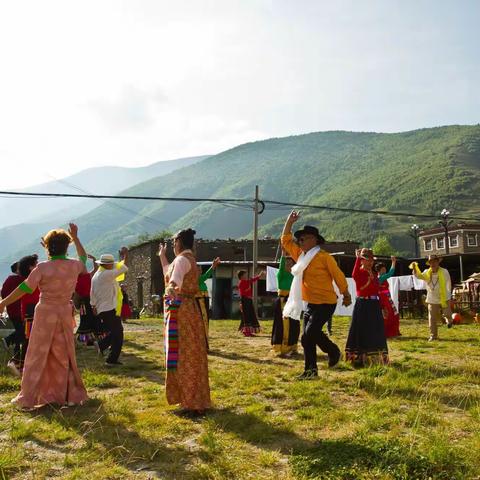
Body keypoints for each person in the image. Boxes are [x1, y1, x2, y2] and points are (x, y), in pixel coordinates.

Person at [0, 224, 89, 409]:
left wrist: (3, 303)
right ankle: (68, 395)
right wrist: (76, 237)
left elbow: (24, 288)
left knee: (37, 354)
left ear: (48, 247)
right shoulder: (74, 265)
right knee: (63, 353)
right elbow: (83, 258)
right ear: (67, 246)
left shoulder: (42, 268)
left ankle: (29, 397)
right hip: (64, 312)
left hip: (45, 313)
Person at [281, 211, 351, 379]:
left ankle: (332, 351)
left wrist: (346, 294)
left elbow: (338, 275)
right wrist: (289, 222)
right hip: (310, 303)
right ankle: (311, 371)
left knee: (309, 333)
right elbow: (285, 241)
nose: (300, 241)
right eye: (300, 239)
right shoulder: (300, 255)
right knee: (307, 338)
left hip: (326, 302)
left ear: (314, 240)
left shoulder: (324, 257)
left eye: (304, 239)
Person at [159, 229, 211, 415]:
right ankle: (195, 400)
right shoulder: (188, 259)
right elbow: (169, 272)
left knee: (183, 355)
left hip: (181, 313)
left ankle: (190, 403)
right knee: (193, 354)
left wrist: (172, 288)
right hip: (190, 311)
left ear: (179, 243)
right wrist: (162, 256)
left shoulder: (181, 260)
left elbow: (174, 280)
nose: (173, 246)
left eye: (174, 243)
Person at [345, 248, 389, 366]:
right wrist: (357, 258)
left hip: (374, 305)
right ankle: (359, 359)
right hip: (362, 305)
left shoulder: (374, 274)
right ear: (362, 261)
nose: (370, 262)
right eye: (367, 260)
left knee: (376, 331)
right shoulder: (358, 273)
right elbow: (355, 274)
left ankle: (376, 359)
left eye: (371, 260)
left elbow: (377, 291)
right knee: (361, 330)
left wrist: (383, 306)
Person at [90, 248, 129, 366]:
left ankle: (101, 345)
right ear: (108, 265)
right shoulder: (106, 274)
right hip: (108, 308)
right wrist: (122, 259)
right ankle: (111, 359)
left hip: (103, 308)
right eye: (111, 264)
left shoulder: (97, 275)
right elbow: (124, 268)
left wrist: (93, 306)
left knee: (115, 331)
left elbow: (91, 292)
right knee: (118, 333)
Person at [410, 254, 452, 341]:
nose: (432, 264)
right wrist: (414, 267)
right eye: (431, 262)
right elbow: (419, 276)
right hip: (432, 298)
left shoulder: (444, 272)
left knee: (447, 313)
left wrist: (449, 295)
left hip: (444, 297)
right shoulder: (426, 272)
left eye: (434, 262)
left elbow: (448, 283)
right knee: (432, 318)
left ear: (438, 262)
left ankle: (449, 321)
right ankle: (433, 336)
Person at [271, 249, 300, 356]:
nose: (288, 265)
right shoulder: (281, 274)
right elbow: (281, 265)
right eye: (287, 263)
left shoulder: (295, 276)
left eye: (291, 264)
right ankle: (282, 348)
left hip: (293, 301)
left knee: (294, 324)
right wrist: (283, 253)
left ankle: (292, 347)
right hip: (283, 301)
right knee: (283, 325)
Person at [16, 255, 40, 376]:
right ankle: (21, 364)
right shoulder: (31, 281)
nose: (38, 265)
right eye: (36, 263)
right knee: (30, 340)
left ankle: (23, 365)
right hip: (31, 311)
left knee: (31, 340)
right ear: (31, 267)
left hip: (31, 310)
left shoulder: (31, 280)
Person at [1, 262, 24, 371]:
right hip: (20, 311)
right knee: (23, 332)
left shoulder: (8, 280)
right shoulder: (20, 279)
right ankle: (9, 341)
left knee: (21, 332)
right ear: (18, 269)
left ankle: (17, 357)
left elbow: (3, 293)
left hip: (11, 311)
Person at [75, 254, 99, 346]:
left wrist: (94, 259)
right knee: (87, 319)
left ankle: (91, 339)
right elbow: (76, 293)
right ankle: (87, 339)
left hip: (88, 301)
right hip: (85, 302)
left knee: (91, 318)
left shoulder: (86, 276)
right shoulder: (76, 279)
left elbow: (96, 269)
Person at [197, 257, 221, 347]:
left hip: (204, 301)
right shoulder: (196, 280)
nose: (199, 271)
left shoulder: (201, 280)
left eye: (200, 270)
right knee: (201, 322)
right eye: (197, 270)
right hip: (199, 302)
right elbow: (207, 275)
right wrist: (212, 266)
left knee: (205, 322)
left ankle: (204, 342)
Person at [376, 257, 401, 338]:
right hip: (383, 299)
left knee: (394, 314)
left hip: (387, 297)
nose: (385, 270)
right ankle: (387, 332)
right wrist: (393, 262)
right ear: (379, 271)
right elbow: (391, 273)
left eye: (385, 269)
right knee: (388, 315)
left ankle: (394, 331)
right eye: (383, 269)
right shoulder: (380, 278)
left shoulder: (382, 277)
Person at [237, 270, 265, 336]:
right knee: (246, 316)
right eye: (245, 275)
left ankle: (248, 331)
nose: (246, 276)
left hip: (249, 300)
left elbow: (254, 279)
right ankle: (247, 332)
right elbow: (242, 293)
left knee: (251, 314)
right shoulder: (241, 283)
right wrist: (247, 290)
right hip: (244, 300)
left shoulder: (247, 281)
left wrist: (260, 275)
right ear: (241, 276)